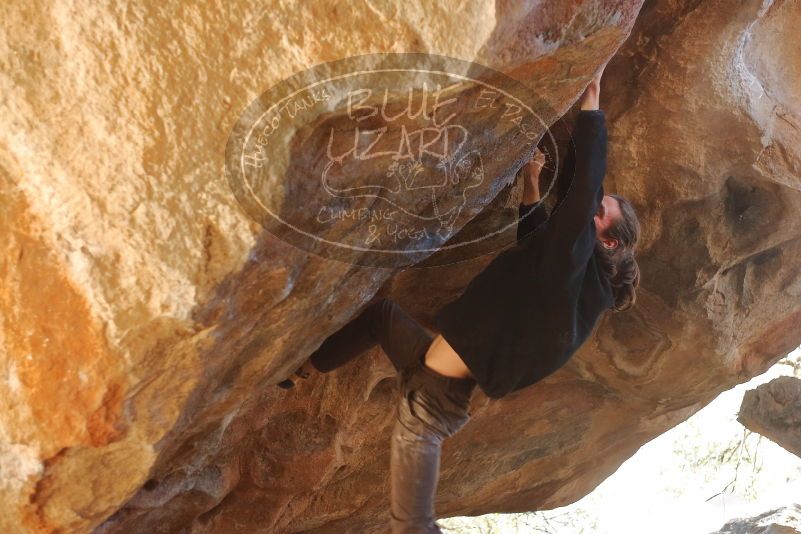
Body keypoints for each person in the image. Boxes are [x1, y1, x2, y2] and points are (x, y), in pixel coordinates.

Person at [277, 65, 642, 533]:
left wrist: (592, 109)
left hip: (430, 406)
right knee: (382, 316)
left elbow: (578, 201)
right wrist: (532, 185)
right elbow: (538, 250)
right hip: (424, 365)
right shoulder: (568, 283)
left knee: (412, 525)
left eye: (598, 212)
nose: (589, 207)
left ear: (608, 242)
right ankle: (301, 369)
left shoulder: (580, 283)